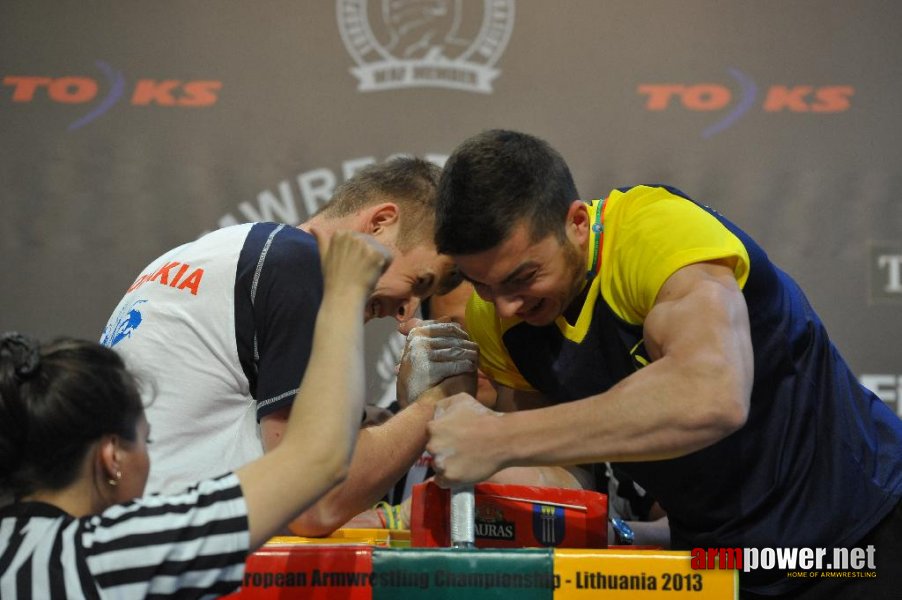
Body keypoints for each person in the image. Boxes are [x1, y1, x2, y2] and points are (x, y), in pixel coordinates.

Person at [425, 129, 902, 597]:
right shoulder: (494, 319)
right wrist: (434, 437)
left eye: (523, 277)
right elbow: (558, 475)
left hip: (860, 533)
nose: (504, 306)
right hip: (719, 564)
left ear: (574, 222)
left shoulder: (655, 235)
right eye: (483, 285)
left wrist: (498, 437)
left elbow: (711, 396)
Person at [100, 157, 477, 536]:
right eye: (418, 281)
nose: (405, 312)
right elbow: (315, 504)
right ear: (380, 222)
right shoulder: (300, 263)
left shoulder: (210, 253)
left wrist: (370, 428)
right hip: (171, 562)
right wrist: (437, 401)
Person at [0, 230, 389, 597]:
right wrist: (345, 291)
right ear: (112, 457)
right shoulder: (115, 554)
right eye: (145, 439)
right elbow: (317, 460)